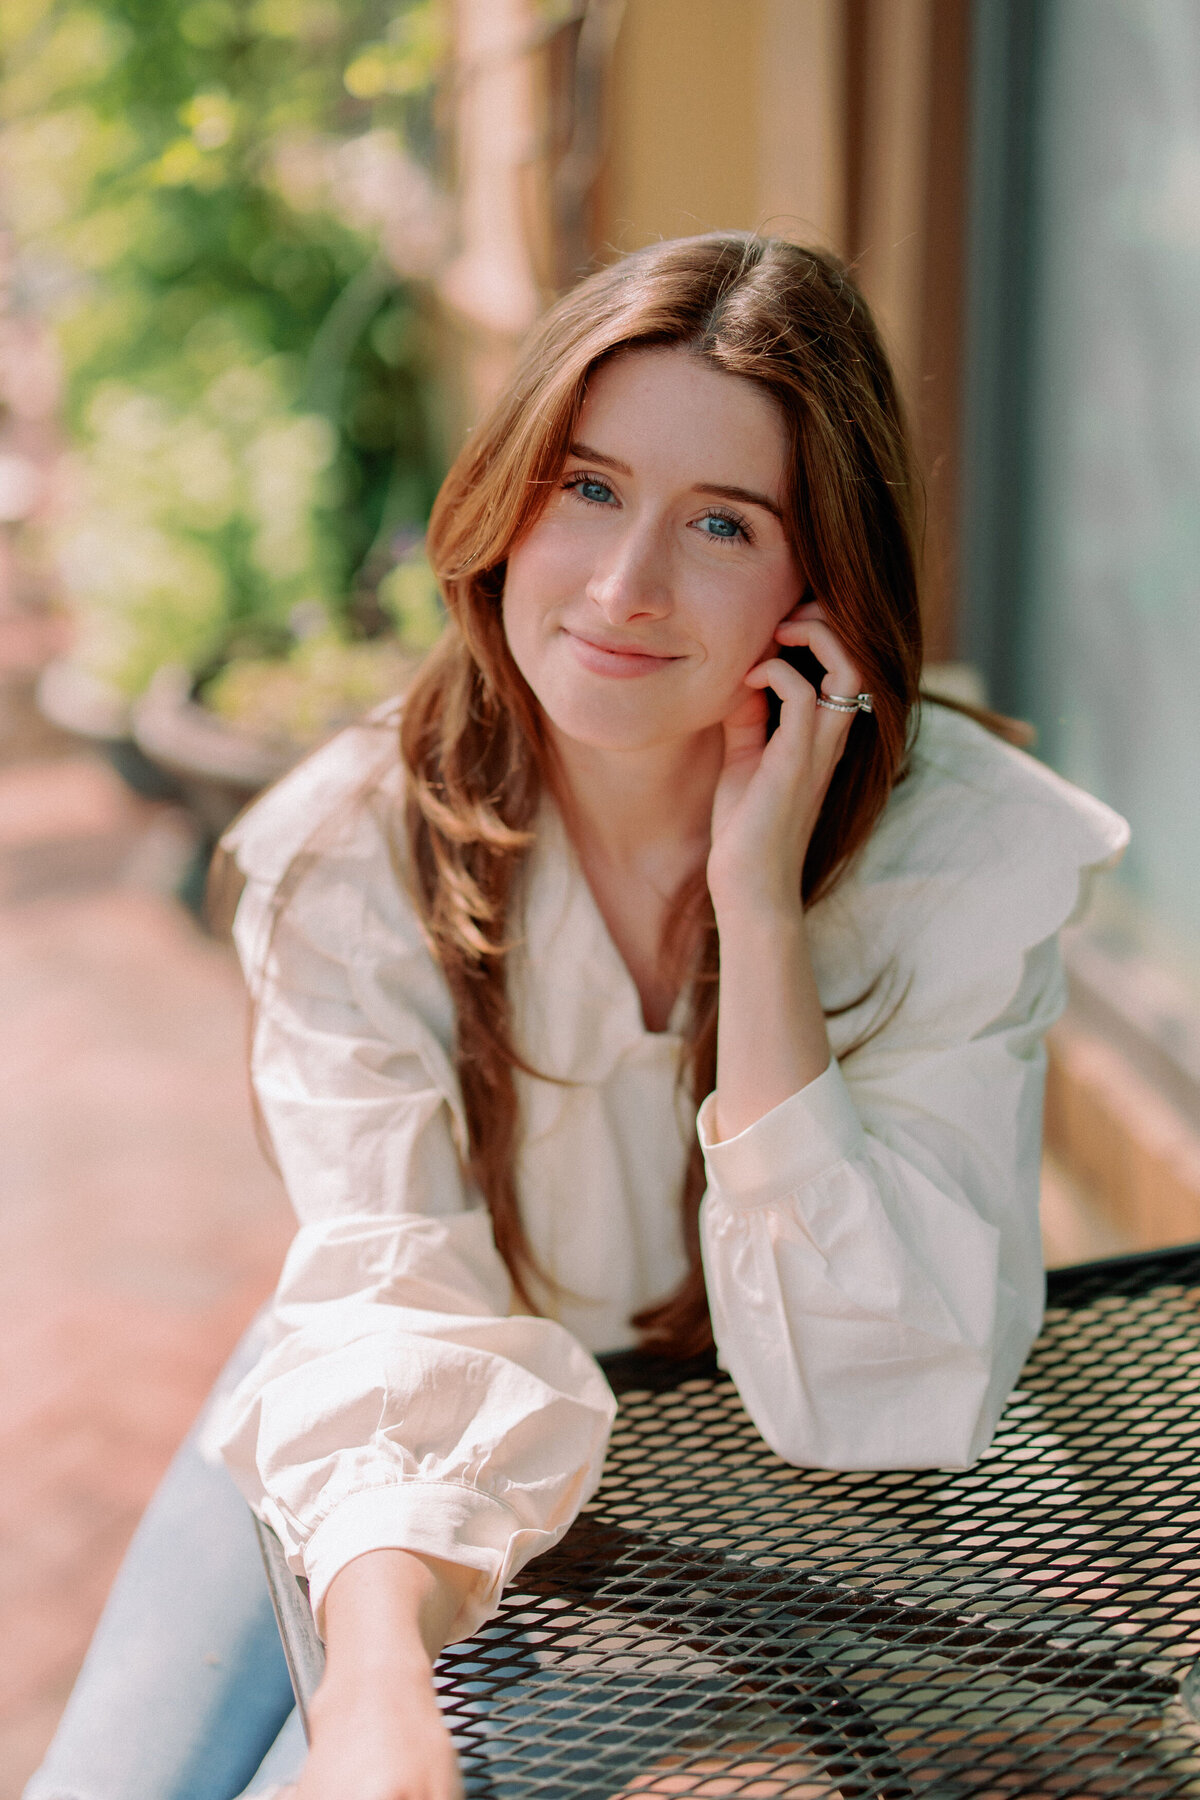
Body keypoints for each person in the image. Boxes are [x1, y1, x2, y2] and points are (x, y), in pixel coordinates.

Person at [26, 233, 1128, 1800]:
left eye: (723, 523)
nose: (623, 587)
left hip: (769, 1493)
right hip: (401, 1393)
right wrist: (382, 1682)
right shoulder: (352, 849)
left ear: (822, 586)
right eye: (587, 488)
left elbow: (873, 1392)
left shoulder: (955, 864)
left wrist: (760, 907)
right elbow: (400, 1299)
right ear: (506, 496)